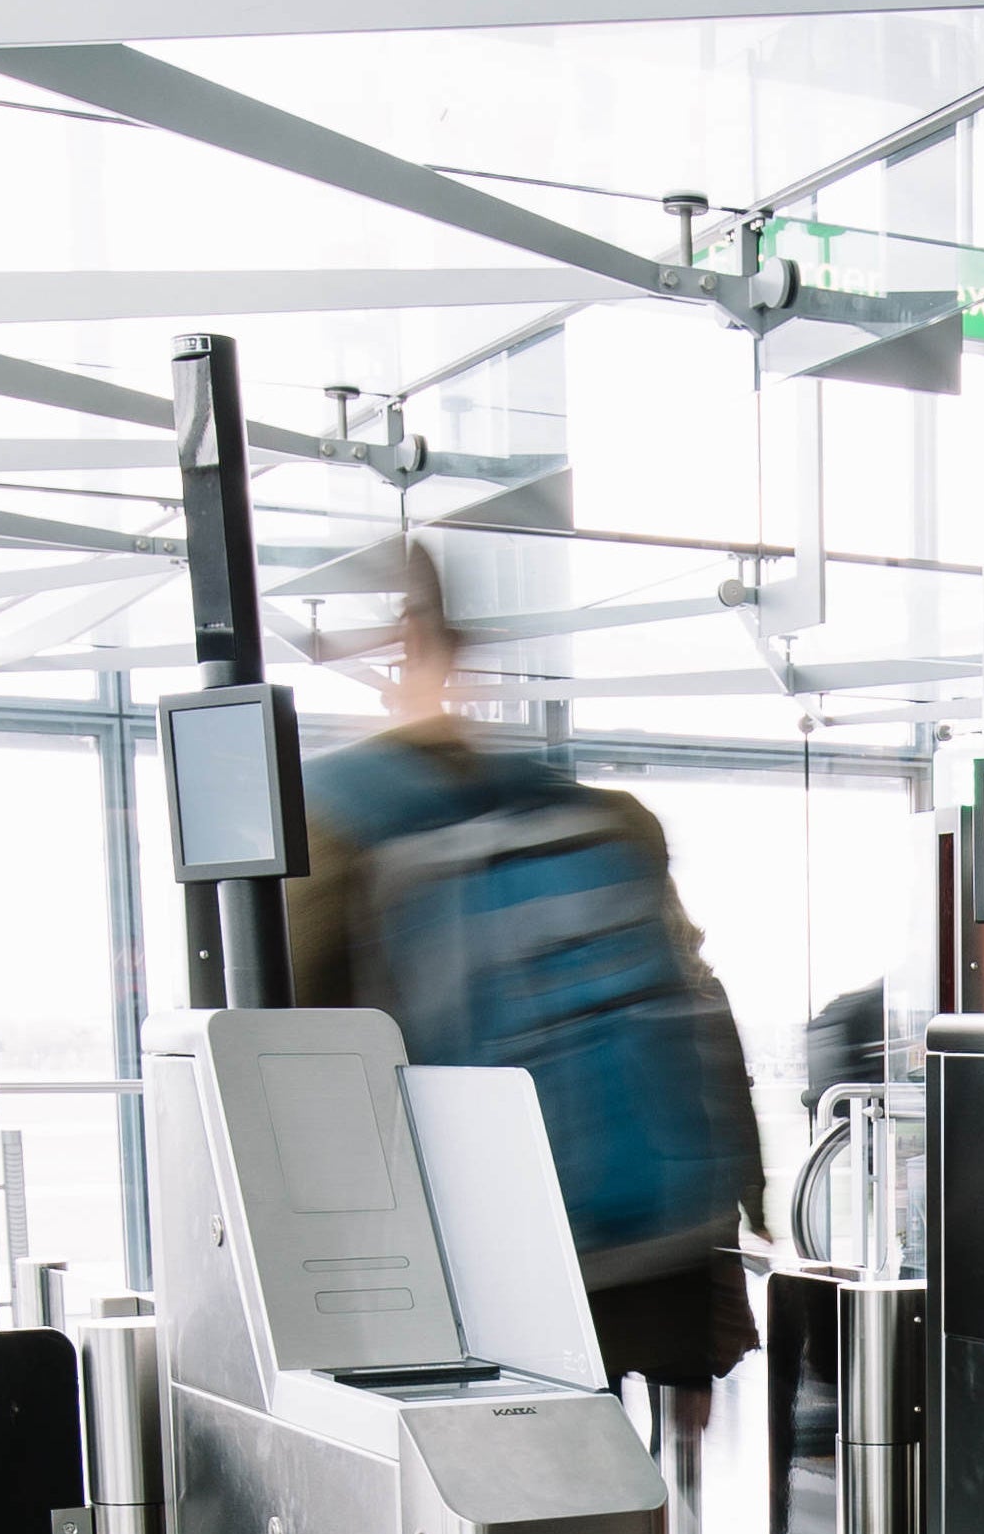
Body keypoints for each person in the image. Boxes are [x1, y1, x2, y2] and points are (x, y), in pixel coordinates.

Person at [289, 540, 764, 1393]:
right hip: (659, 1250)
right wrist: (737, 1215)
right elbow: (697, 1007)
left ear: (397, 648)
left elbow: (290, 1064)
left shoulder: (333, 825)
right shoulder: (607, 819)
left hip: (483, 1264)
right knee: (636, 1456)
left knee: (496, 1458)